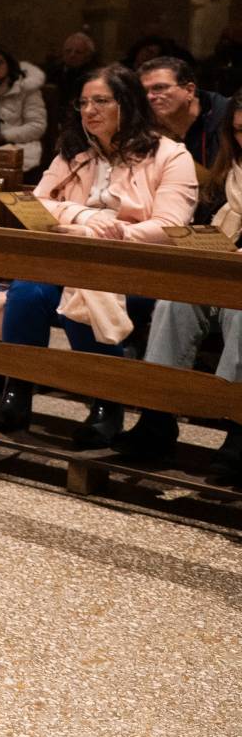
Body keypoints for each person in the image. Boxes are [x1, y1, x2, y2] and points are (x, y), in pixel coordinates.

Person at [0, 65, 197, 446]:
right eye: (83, 102)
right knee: (29, 289)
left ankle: (105, 402)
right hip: (70, 257)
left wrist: (117, 233)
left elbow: (171, 226)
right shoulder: (74, 153)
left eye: (101, 101)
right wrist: (85, 219)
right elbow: (36, 206)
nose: (89, 110)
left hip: (136, 267)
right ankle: (17, 393)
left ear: (127, 104)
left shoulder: (170, 154)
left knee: (84, 292)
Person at [117, 96, 242, 480]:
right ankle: (158, 418)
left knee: (240, 313)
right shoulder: (232, 172)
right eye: (238, 131)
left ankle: (238, 431)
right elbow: (209, 224)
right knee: (174, 300)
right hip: (224, 270)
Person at [140, 56, 229, 220]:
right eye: (144, 91)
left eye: (159, 88)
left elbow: (225, 187)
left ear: (189, 90)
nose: (150, 97)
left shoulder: (228, 119)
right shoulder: (145, 126)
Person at [0, 46, 48, 173]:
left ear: (9, 65)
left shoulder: (26, 89)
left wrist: (4, 136)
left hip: (18, 150)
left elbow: (37, 126)